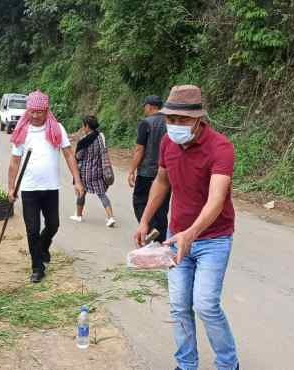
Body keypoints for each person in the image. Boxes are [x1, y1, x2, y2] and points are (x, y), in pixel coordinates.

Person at [133, 85, 239, 370]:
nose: (175, 125)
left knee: (205, 304)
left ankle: (229, 364)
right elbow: (162, 182)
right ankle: (186, 363)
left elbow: (217, 200)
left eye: (181, 120)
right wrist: (145, 219)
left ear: (198, 120)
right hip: (176, 237)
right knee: (179, 306)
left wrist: (191, 234)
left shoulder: (221, 148)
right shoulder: (168, 143)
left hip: (213, 239)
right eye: (170, 119)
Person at [7, 90, 84, 283]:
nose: (35, 115)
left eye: (39, 112)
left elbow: (68, 154)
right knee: (32, 229)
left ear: (46, 110)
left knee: (53, 224)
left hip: (51, 188)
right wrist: (11, 188)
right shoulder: (22, 131)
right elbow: (15, 162)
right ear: (28, 111)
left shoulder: (56, 128)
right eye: (32, 111)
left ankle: (42, 247)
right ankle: (37, 267)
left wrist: (77, 180)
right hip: (29, 189)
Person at [128, 95, 169, 242]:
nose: (144, 109)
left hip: (147, 172)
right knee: (162, 206)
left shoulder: (146, 123)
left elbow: (140, 149)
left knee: (140, 201)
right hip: (165, 171)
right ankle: (162, 238)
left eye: (145, 106)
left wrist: (132, 170)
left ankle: (150, 230)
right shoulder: (170, 121)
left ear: (150, 106)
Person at [68, 116, 116, 227]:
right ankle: (110, 217)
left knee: (81, 192)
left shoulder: (84, 141)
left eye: (83, 125)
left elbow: (78, 156)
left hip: (85, 172)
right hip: (98, 171)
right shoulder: (100, 137)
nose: (82, 127)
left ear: (87, 126)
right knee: (102, 194)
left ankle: (78, 215)